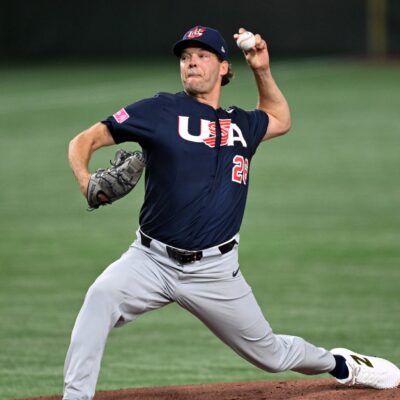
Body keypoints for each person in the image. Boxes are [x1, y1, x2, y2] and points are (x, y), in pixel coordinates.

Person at [64, 26, 400, 400]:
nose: (191, 60)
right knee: (99, 299)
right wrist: (84, 178)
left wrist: (261, 68)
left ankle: (343, 365)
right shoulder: (161, 109)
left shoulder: (241, 123)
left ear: (224, 67)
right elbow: (85, 140)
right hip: (150, 260)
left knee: (271, 354)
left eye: (202, 54)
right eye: (185, 56)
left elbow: (280, 118)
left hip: (215, 271)